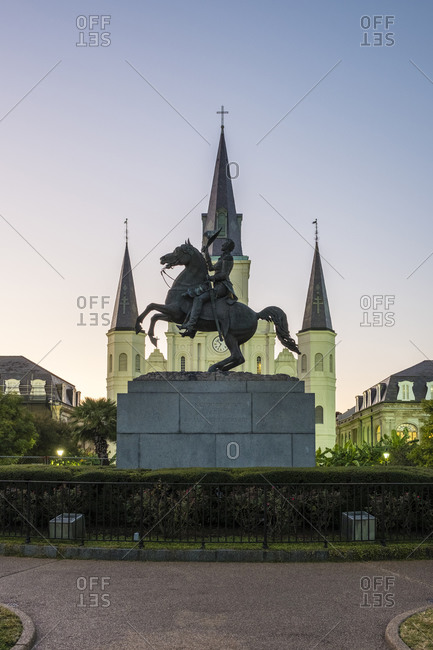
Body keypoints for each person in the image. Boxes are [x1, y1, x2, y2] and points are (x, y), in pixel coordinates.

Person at [178, 238, 237, 337]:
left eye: (225, 243)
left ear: (228, 247)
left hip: (222, 287)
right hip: (217, 285)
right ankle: (193, 329)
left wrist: (211, 278)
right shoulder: (222, 258)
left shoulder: (228, 258)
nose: (222, 244)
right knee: (198, 297)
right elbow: (211, 267)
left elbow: (224, 275)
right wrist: (206, 253)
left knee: (199, 299)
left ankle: (191, 325)